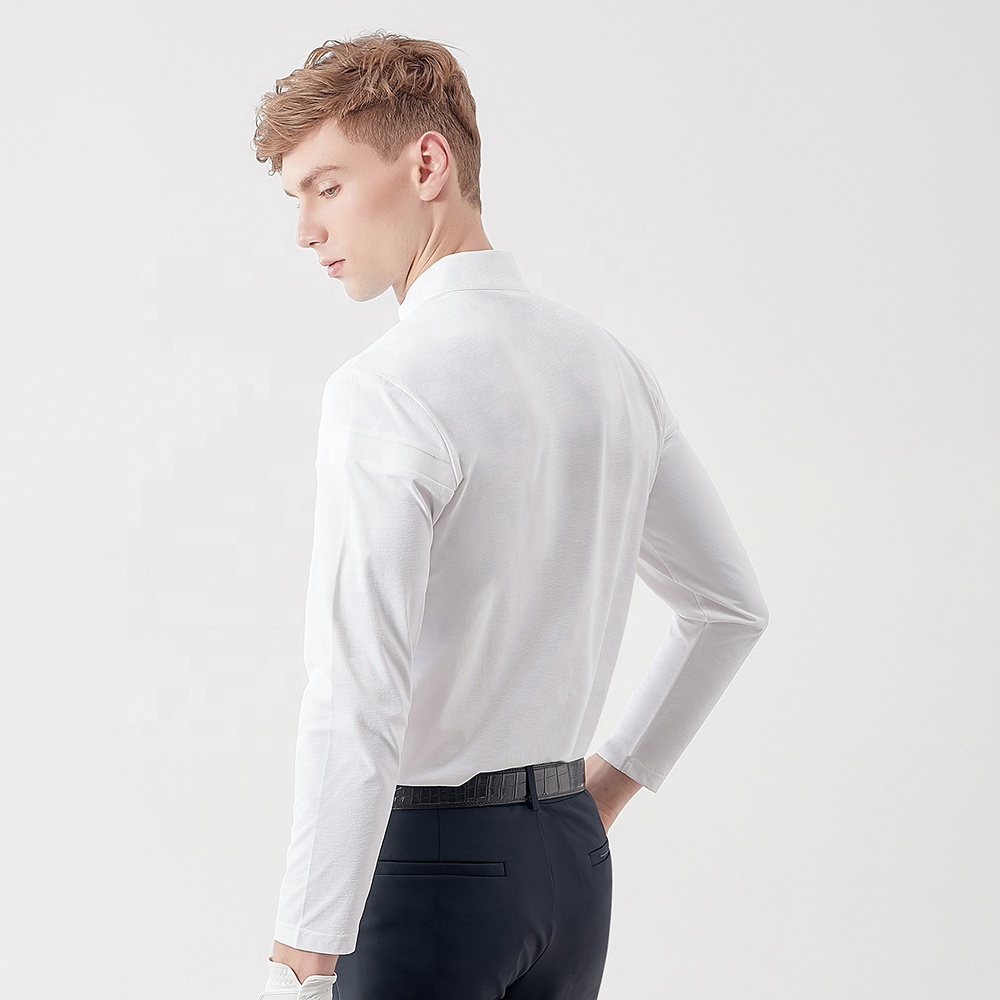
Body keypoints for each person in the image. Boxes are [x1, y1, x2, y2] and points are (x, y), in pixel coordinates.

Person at [250, 30, 768, 1000]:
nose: (306, 230)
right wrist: (605, 786)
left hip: (424, 870)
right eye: (295, 199)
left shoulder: (385, 389)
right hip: (570, 864)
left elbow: (357, 691)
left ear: (427, 165)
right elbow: (730, 607)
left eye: (326, 186)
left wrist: (306, 945)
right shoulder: (610, 368)